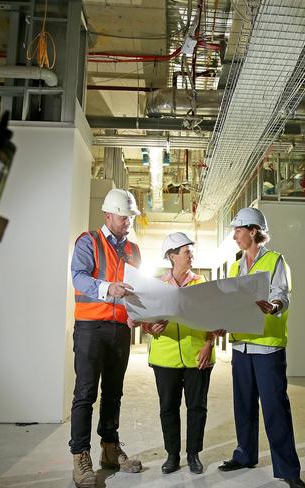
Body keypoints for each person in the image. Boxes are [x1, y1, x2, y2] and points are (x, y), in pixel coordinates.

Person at [218, 207, 305, 488]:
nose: (234, 235)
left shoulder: (275, 260)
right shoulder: (235, 266)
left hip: (267, 348)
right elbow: (230, 303)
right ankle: (245, 455)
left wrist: (274, 306)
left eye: (238, 230)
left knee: (275, 409)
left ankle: (289, 471)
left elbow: (282, 295)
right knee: (243, 406)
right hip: (241, 347)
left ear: (253, 231)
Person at [68, 189, 143, 488]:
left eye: (130, 218)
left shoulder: (134, 250)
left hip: (120, 328)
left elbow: (137, 288)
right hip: (90, 327)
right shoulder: (88, 241)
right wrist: (107, 288)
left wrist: (138, 312)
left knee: (114, 392)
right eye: (124, 217)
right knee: (85, 392)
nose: (128, 223)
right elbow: (78, 276)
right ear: (108, 215)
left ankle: (110, 450)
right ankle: (80, 456)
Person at [141, 232, 220, 475]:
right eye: (187, 251)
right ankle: (172, 455)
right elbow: (145, 320)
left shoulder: (202, 283)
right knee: (168, 408)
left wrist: (209, 343)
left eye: (191, 251)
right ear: (172, 256)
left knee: (197, 407)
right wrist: (150, 327)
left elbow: (217, 318)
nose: (191, 255)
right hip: (165, 359)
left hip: (198, 355)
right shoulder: (158, 286)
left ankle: (193, 454)